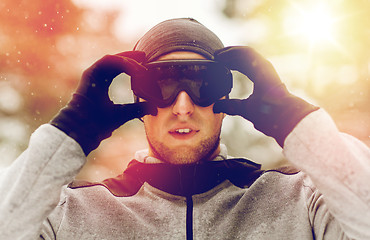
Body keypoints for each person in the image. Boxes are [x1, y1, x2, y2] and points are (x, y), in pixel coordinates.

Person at [0, 18, 369, 240]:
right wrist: (70, 132)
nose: (182, 106)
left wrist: (295, 121)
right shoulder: (70, 211)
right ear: (139, 103)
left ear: (225, 99)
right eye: (160, 86)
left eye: (201, 84)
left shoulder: (301, 202)